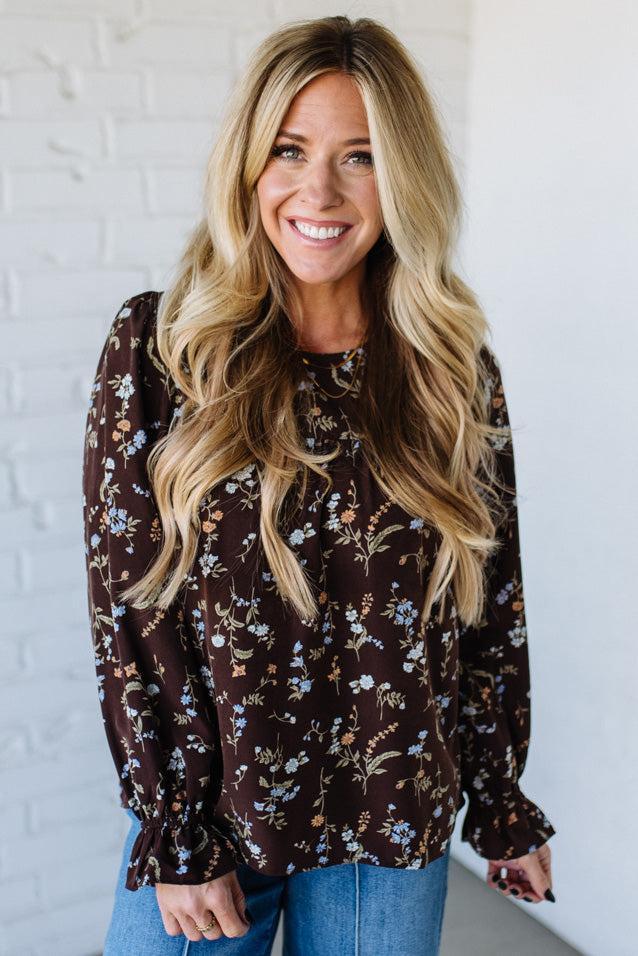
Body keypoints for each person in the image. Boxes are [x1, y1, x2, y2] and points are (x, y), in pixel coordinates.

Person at [82, 14, 557, 956]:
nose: (318, 191)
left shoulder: (450, 369)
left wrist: (501, 802)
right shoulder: (163, 349)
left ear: (404, 175)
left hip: (388, 823)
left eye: (361, 157)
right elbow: (132, 608)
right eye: (290, 150)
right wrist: (177, 833)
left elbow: (488, 605)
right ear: (249, 164)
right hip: (216, 815)